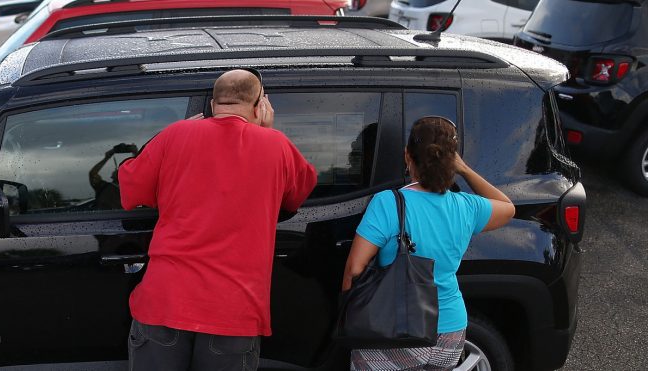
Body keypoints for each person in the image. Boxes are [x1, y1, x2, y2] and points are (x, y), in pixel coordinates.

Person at [118, 68, 318, 371]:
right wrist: (267, 131)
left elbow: (131, 189)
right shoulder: (277, 145)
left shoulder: (175, 135)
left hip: (165, 301)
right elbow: (297, 196)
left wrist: (167, 138)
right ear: (259, 106)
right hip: (234, 311)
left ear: (213, 105)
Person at [341, 116, 516, 370]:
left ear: (407, 156)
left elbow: (354, 270)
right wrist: (465, 170)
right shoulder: (466, 206)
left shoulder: (388, 203)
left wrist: (349, 314)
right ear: (451, 161)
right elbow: (508, 208)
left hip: (397, 329)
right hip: (451, 334)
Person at [89, 143, 138, 210]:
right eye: (118, 168)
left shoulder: (131, 188)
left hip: (113, 218)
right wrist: (106, 158)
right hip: (108, 218)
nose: (118, 169)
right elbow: (92, 174)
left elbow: (141, 172)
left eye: (121, 168)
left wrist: (136, 154)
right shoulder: (103, 187)